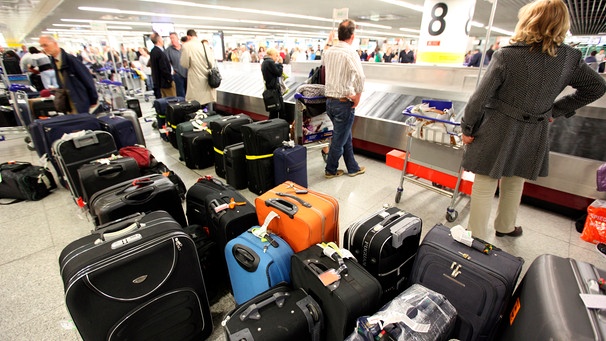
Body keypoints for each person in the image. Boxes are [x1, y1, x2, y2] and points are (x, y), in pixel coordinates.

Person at [460, 0, 606, 239]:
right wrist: (554, 111)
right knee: (515, 180)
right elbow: (596, 87)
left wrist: (468, 127)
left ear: (529, 21)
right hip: (534, 130)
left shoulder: (507, 55)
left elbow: (480, 97)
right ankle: (506, 227)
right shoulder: (570, 58)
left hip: (498, 126)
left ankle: (475, 237)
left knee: (485, 183)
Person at [321, 19, 366, 179]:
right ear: (352, 36)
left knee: (344, 136)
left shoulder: (329, 51)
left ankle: (352, 167)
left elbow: (323, 66)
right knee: (339, 141)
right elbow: (360, 76)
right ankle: (330, 170)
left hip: (329, 103)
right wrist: (357, 96)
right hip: (343, 103)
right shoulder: (350, 52)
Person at [39, 35, 98, 114]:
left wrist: (93, 99)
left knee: (82, 123)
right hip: (69, 103)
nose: (44, 48)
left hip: (79, 101)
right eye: (42, 46)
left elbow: (87, 79)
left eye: (45, 45)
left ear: (55, 44)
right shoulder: (54, 61)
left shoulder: (70, 60)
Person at [180, 32, 217, 111]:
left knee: (195, 105)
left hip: (195, 81)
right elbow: (211, 63)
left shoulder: (187, 46)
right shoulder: (204, 45)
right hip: (207, 80)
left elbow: (184, 64)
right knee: (208, 102)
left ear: (188, 36)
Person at [261, 48, 289, 122]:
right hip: (275, 90)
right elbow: (278, 73)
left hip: (270, 89)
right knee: (281, 111)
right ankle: (282, 127)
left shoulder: (265, 62)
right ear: (271, 55)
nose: (277, 57)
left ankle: (272, 127)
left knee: (273, 111)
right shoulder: (270, 62)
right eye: (276, 55)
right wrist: (280, 64)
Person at [149, 32, 176, 98]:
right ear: (159, 40)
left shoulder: (154, 51)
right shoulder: (158, 52)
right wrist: (169, 79)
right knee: (171, 98)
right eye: (161, 38)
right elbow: (163, 68)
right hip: (165, 82)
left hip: (160, 81)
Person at [166, 32, 188, 97]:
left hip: (188, 74)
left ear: (177, 38)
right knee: (181, 94)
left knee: (189, 93)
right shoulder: (168, 50)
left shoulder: (185, 48)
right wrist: (172, 71)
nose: (172, 40)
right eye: (170, 38)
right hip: (178, 74)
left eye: (173, 38)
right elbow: (167, 62)